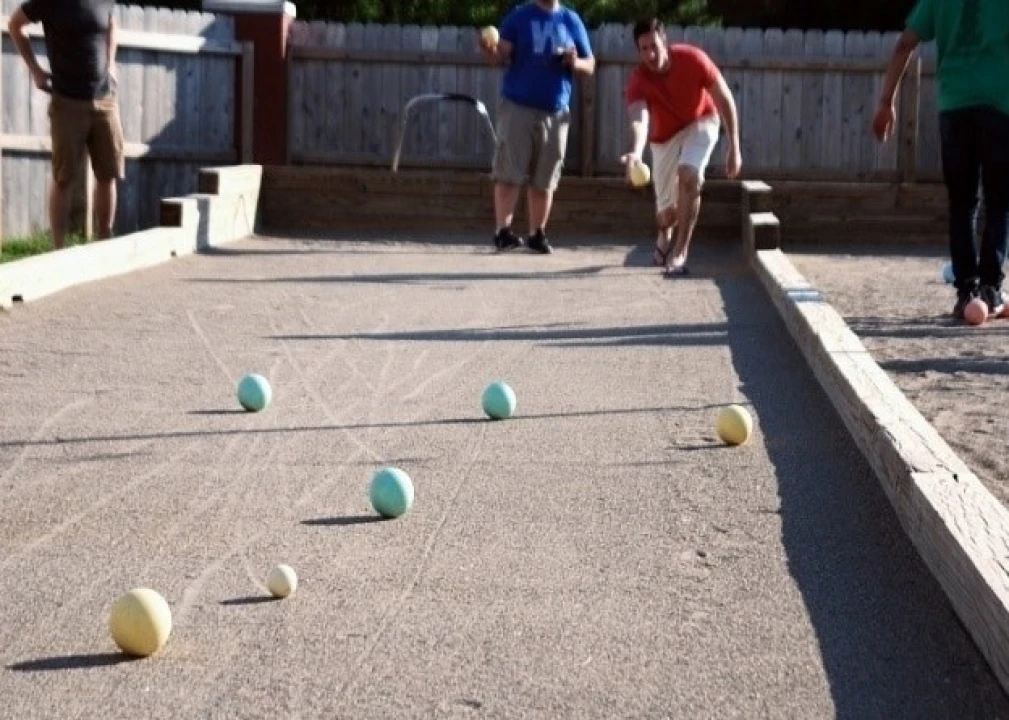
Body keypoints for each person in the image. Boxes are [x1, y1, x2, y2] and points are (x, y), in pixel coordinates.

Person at [873, 0, 1009, 320]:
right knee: (1000, 202)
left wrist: (886, 101)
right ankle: (990, 289)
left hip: (954, 106)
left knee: (962, 203)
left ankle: (966, 292)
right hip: (1000, 106)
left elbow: (904, 44)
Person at [621, 18, 741, 276]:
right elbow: (639, 119)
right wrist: (636, 153)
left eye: (654, 46)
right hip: (664, 137)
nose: (650, 55)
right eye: (643, 49)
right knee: (664, 217)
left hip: (702, 119)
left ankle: (680, 252)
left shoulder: (693, 60)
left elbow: (725, 99)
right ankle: (666, 231)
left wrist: (734, 146)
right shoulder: (638, 80)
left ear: (664, 41)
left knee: (689, 175)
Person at [478, 0, 595, 254]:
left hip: (556, 110)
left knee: (546, 176)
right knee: (509, 171)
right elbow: (499, 56)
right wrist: (489, 50)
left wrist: (574, 62)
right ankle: (503, 232)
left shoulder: (571, 20)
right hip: (518, 106)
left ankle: (537, 234)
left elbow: (590, 64)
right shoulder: (520, 16)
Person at [8, 0, 124, 251]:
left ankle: (105, 245)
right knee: (64, 177)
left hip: (105, 99)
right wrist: (36, 70)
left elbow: (111, 24)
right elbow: (15, 25)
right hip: (67, 101)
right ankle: (57, 250)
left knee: (108, 174)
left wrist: (111, 62)